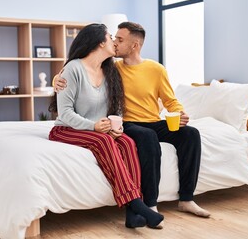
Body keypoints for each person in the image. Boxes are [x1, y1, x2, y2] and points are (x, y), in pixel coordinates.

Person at [53, 22, 210, 226]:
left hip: (153, 120)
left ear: (134, 45)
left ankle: (187, 198)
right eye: (114, 38)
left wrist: (179, 112)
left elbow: (170, 100)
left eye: (120, 39)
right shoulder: (112, 67)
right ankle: (150, 204)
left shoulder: (154, 69)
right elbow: (79, 69)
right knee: (146, 137)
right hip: (128, 123)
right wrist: (57, 78)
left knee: (191, 134)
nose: (115, 43)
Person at [48, 23, 164, 229]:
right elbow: (64, 114)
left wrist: (115, 124)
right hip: (67, 129)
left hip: (99, 128)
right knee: (103, 141)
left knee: (128, 143)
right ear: (101, 42)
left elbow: (117, 105)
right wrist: (94, 126)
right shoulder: (73, 68)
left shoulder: (109, 70)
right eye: (111, 37)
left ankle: (132, 214)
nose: (114, 42)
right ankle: (136, 202)